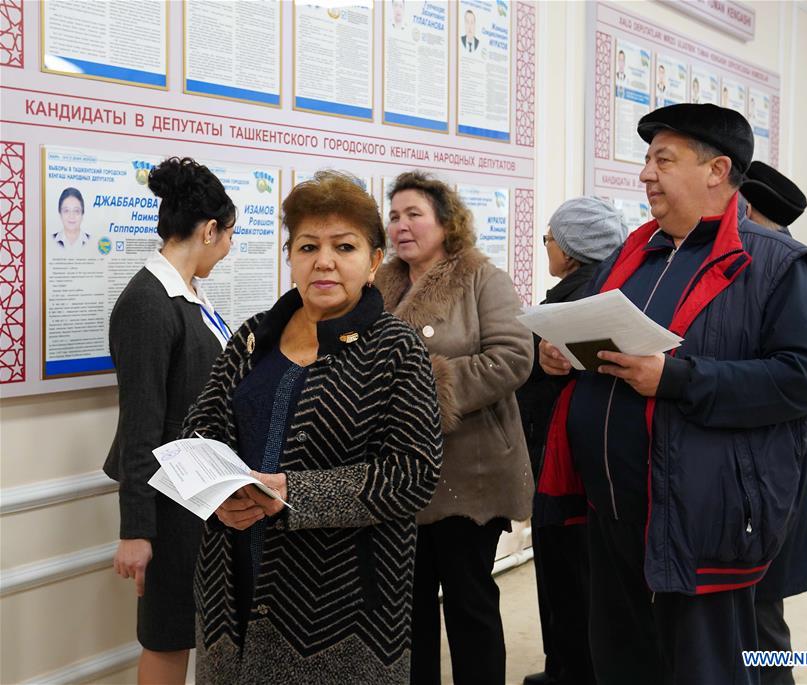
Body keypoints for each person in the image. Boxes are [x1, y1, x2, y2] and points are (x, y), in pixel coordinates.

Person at [537, 103, 807, 684]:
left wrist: (675, 378)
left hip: (699, 518)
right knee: (621, 663)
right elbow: (598, 341)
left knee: (706, 669)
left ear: (717, 170)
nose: (645, 173)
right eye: (647, 159)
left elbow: (803, 378)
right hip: (613, 513)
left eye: (662, 159)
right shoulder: (631, 256)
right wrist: (561, 356)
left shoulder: (776, 263)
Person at [183, 171, 443, 684]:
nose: (323, 261)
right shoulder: (253, 337)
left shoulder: (396, 349)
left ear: (372, 261)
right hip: (230, 593)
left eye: (343, 246)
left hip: (343, 611)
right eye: (307, 246)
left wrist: (295, 494)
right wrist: (211, 493)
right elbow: (201, 427)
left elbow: (414, 473)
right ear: (290, 257)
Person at [377, 171, 533, 685]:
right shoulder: (382, 282)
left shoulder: (480, 277)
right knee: (407, 607)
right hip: (400, 476)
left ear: (445, 222)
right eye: (395, 215)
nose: (401, 226)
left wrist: (424, 386)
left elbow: (513, 358)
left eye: (413, 214)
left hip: (471, 471)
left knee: (469, 601)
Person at [103, 157, 237, 684]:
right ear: (208, 230)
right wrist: (136, 532)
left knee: (193, 629)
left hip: (199, 494)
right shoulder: (147, 304)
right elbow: (141, 425)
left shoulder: (189, 294)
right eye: (227, 236)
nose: (228, 250)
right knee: (167, 634)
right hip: (168, 501)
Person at [518, 197, 628, 685]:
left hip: (564, 465)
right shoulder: (620, 294)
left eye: (549, 238)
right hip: (603, 466)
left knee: (564, 574)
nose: (547, 247)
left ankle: (567, 670)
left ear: (571, 248)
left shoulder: (566, 306)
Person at [741, 161, 807, 685]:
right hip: (754, 469)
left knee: (762, 614)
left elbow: (799, 377)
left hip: (766, 468)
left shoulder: (783, 267)